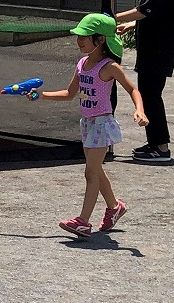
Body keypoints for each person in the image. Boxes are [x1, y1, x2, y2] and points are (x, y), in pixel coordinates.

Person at [38, 13, 148, 238]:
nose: (79, 41)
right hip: (87, 123)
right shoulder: (82, 64)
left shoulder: (109, 67)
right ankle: (114, 207)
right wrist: (41, 95)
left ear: (99, 41)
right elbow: (70, 94)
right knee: (96, 170)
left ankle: (83, 221)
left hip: (101, 124)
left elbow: (133, 90)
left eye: (84, 37)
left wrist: (140, 110)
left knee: (91, 172)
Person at [116, 0, 174, 163]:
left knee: (151, 96)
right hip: (153, 51)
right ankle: (155, 143)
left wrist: (111, 17)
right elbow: (151, 16)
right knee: (148, 94)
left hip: (158, 51)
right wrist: (131, 25)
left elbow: (142, 11)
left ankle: (161, 147)